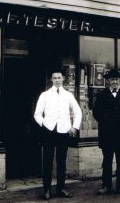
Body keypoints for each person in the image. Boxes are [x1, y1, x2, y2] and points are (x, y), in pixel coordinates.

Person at [34, 70, 82, 200]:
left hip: (63, 131)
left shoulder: (68, 95)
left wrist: (74, 127)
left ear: (63, 79)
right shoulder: (45, 95)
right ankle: (47, 190)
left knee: (62, 162)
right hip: (49, 131)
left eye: (59, 78)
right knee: (48, 161)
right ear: (51, 79)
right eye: (54, 78)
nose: (57, 80)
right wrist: (45, 125)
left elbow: (78, 112)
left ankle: (61, 188)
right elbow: (37, 114)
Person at [92, 68, 120, 195]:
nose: (114, 82)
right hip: (107, 134)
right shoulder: (101, 95)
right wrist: (106, 123)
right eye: (112, 79)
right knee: (107, 161)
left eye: (116, 79)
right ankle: (106, 186)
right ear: (108, 81)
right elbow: (96, 113)